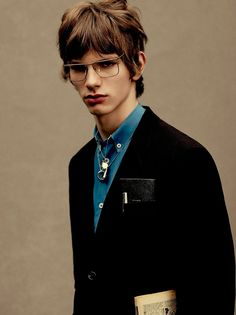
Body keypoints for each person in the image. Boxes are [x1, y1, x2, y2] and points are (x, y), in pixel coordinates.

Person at [57, 1, 235, 314]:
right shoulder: (80, 164)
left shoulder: (185, 159)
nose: (91, 81)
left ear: (137, 65)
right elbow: (87, 281)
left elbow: (214, 290)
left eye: (106, 64)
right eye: (78, 68)